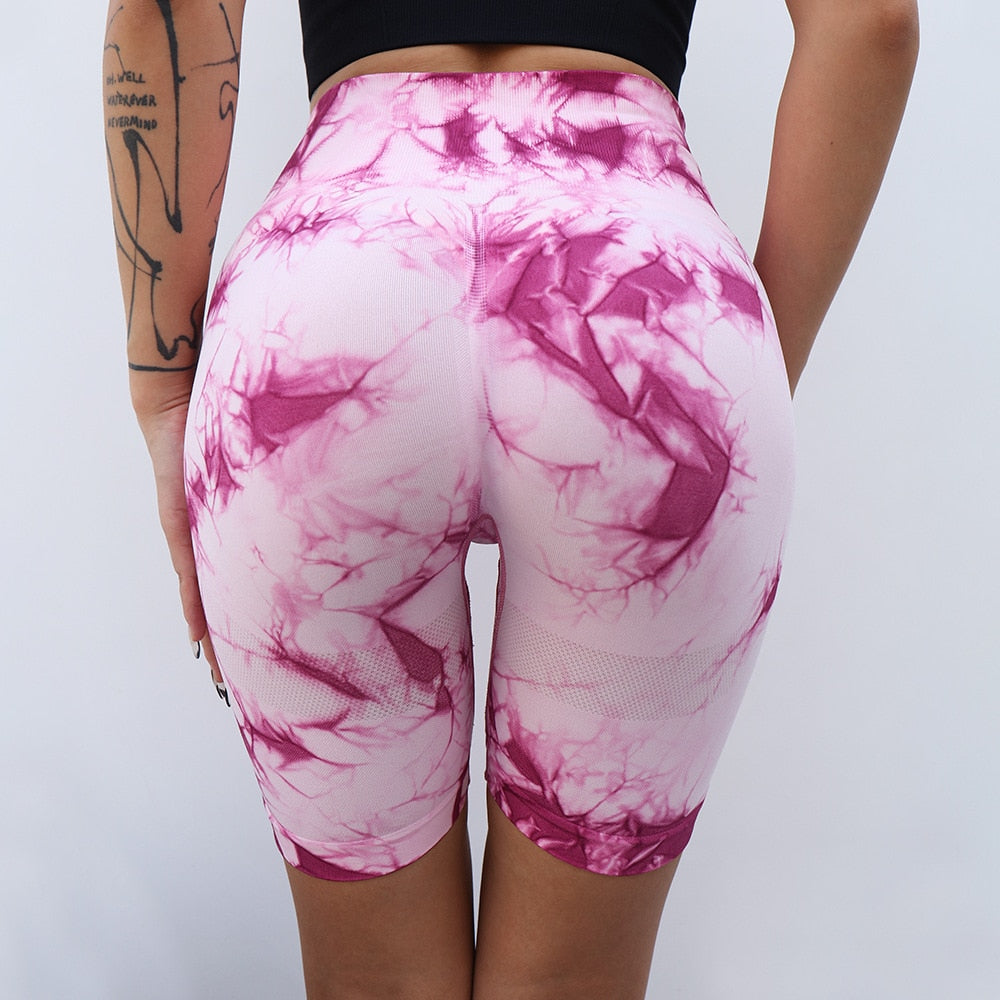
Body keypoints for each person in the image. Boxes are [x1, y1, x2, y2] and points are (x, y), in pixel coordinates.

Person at [103, 2, 918, 997]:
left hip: (333, 282)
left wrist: (164, 392)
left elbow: (162, 12)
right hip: (635, 280)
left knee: (373, 982)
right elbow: (874, 21)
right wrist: (731, 382)